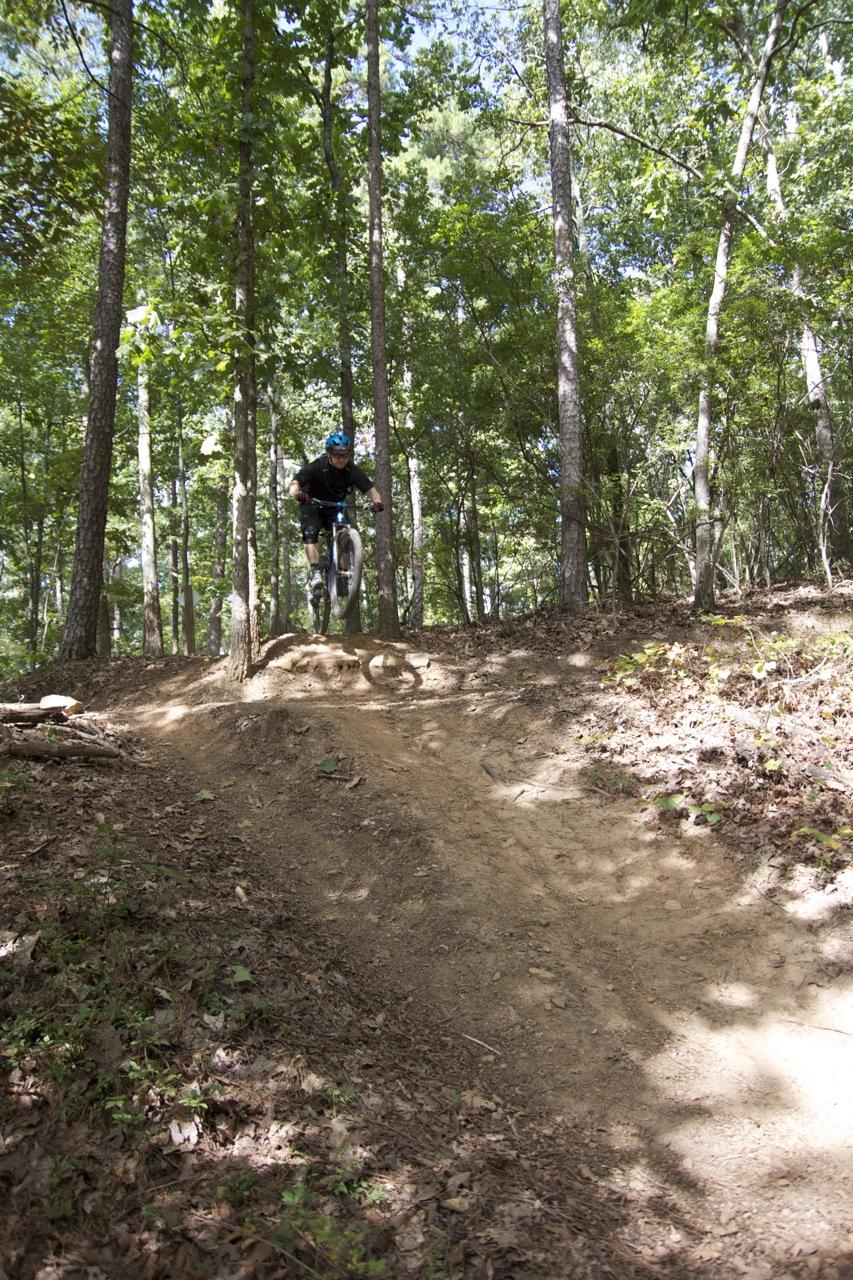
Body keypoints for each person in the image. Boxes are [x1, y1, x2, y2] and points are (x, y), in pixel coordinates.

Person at [288, 432, 384, 597]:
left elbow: (370, 489)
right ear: (329, 454)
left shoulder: (351, 469)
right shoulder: (317, 466)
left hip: (336, 507)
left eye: (345, 455)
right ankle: (316, 571)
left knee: (344, 539)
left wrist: (377, 502)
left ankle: (343, 577)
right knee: (310, 532)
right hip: (313, 505)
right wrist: (298, 494)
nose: (341, 459)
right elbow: (294, 484)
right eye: (337, 455)